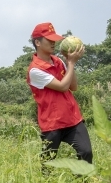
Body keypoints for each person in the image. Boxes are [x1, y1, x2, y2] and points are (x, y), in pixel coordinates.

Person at [27, 24, 92, 166]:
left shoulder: (58, 61)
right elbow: (63, 87)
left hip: (72, 119)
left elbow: (73, 87)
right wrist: (72, 63)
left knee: (85, 153)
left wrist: (69, 63)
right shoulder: (35, 70)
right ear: (37, 42)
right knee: (48, 164)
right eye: (49, 40)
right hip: (52, 123)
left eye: (54, 40)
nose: (53, 43)